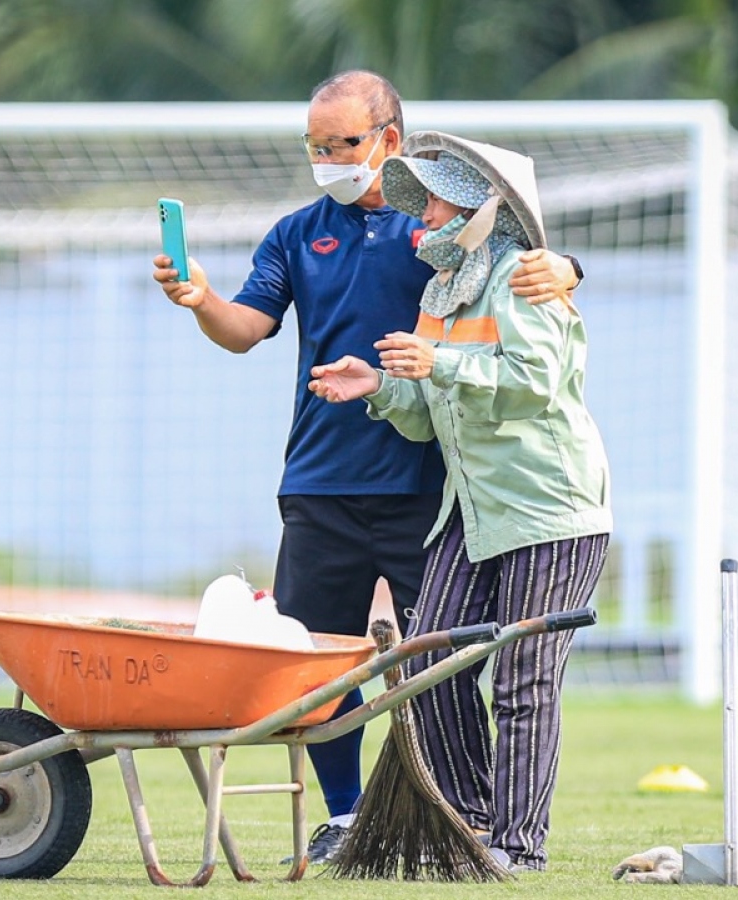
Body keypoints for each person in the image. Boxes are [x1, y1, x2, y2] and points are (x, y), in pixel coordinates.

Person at [151, 71, 581, 865]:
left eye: (339, 144)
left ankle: (463, 815)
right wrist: (201, 299)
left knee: (443, 663)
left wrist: (571, 266)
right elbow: (247, 329)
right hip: (319, 480)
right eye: (313, 147)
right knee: (317, 659)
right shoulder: (293, 233)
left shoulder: (440, 232)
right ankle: (347, 816)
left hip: (436, 484)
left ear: (389, 138)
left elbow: (518, 261)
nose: (324, 160)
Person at [306, 132, 612, 873]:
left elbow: (535, 381)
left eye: (440, 200)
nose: (426, 213)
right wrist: (383, 388)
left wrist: (437, 362)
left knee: (522, 679)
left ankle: (517, 848)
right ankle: (470, 829)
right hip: (470, 512)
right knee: (429, 668)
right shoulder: (439, 292)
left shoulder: (526, 277)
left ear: (482, 212)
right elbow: (427, 410)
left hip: (548, 508)